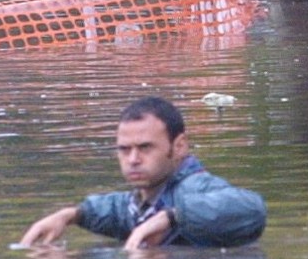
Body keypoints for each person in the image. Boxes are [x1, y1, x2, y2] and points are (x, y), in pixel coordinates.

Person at [19, 96, 266, 250]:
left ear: (179, 146)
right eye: (124, 150)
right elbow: (115, 209)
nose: (133, 159)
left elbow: (252, 210)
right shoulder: (143, 201)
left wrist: (174, 217)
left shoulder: (196, 188)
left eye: (145, 147)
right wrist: (71, 215)